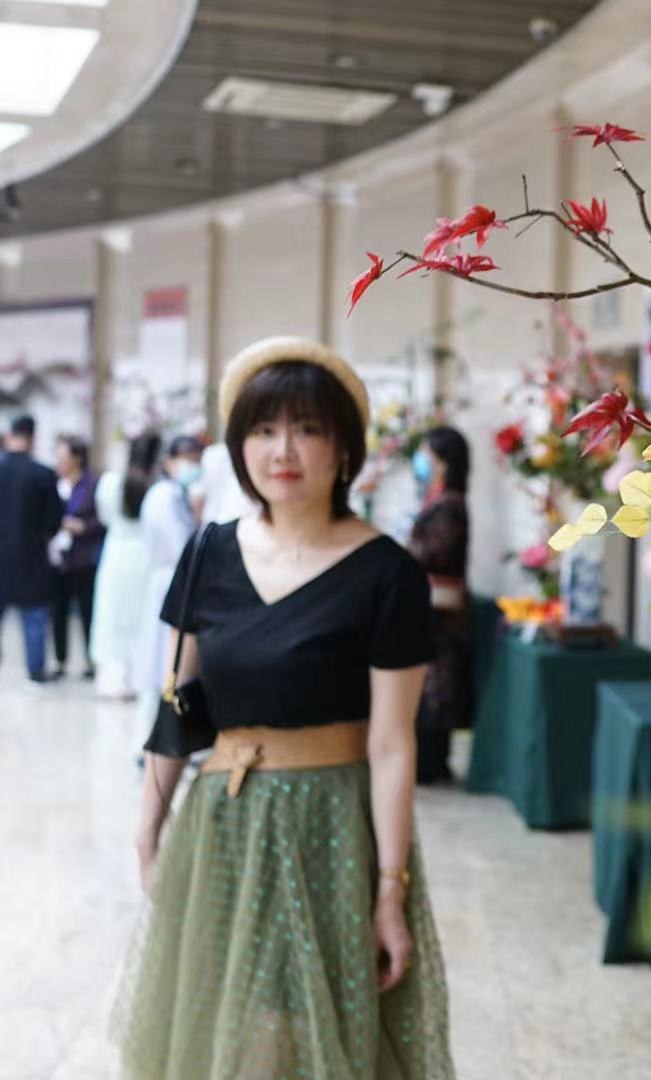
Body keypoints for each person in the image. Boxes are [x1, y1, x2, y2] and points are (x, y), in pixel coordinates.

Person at [115, 336, 453, 1078]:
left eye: (306, 428)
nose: (283, 450)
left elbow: (394, 744)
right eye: (263, 431)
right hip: (223, 822)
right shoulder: (207, 555)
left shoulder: (387, 572)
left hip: (331, 824)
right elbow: (177, 707)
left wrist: (389, 890)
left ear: (343, 447)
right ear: (239, 449)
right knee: (226, 1027)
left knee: (315, 1030)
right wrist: (148, 827)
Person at [406, 427, 473, 785]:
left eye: (426, 453)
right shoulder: (437, 500)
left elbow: (437, 552)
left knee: (438, 687)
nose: (421, 460)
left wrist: (402, 553)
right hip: (431, 609)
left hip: (442, 613)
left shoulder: (450, 505)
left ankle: (432, 761)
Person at [131, 435, 203, 734]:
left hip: (169, 578)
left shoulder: (171, 493)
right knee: (164, 663)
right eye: (185, 457)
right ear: (168, 460)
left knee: (163, 662)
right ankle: (151, 737)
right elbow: (179, 544)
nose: (191, 465)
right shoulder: (167, 496)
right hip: (171, 579)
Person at [90, 433, 161, 701]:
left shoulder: (110, 482)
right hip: (145, 555)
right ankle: (138, 677)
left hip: (117, 552)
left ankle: (112, 679)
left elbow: (104, 516)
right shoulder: (156, 484)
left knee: (112, 614)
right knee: (140, 615)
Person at [0, 415, 64, 686]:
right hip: (32, 556)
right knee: (34, 616)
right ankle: (35, 672)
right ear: (33, 437)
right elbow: (54, 520)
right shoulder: (43, 474)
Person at [50, 434, 105, 680]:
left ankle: (91, 660)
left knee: (87, 611)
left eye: (64, 457)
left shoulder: (92, 484)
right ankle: (60, 660)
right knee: (57, 610)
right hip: (58, 556)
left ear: (77, 458)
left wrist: (82, 526)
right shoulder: (52, 482)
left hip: (84, 557)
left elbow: (103, 519)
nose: (59, 462)